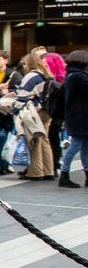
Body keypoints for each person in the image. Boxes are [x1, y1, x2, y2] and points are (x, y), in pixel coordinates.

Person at [15, 52, 55, 179]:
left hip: (34, 112)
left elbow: (22, 96)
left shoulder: (31, 76)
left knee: (34, 140)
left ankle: (35, 172)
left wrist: (15, 110)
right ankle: (48, 170)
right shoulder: (46, 74)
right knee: (44, 140)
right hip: (47, 111)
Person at [59, 50, 88, 188]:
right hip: (81, 117)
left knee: (84, 147)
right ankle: (64, 174)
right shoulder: (79, 77)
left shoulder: (71, 75)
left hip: (76, 116)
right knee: (76, 146)